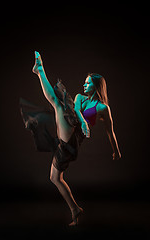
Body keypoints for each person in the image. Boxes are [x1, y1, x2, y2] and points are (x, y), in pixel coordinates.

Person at [20, 51, 121, 226]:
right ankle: (75, 209)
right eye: (84, 81)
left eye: (88, 83)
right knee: (54, 178)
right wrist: (83, 122)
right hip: (69, 131)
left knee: (58, 105)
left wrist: (116, 152)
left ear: (96, 86)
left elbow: (110, 132)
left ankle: (40, 70)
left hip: (72, 140)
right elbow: (76, 111)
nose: (84, 84)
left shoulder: (104, 108)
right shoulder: (80, 97)